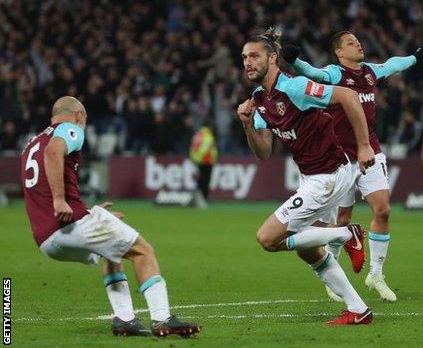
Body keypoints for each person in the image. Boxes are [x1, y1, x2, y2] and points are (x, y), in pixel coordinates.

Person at [20, 96, 201, 337]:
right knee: (143, 250)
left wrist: (85, 210)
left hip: (45, 239)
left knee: (110, 250)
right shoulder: (70, 129)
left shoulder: (30, 143)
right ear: (79, 116)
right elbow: (54, 152)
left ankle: (124, 318)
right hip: (68, 224)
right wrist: (60, 201)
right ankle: (162, 318)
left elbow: (43, 183)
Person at [237, 29, 375, 325]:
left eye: (255, 56)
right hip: (311, 176)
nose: (248, 62)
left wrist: (364, 146)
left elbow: (350, 96)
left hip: (328, 175)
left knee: (267, 238)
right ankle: (358, 310)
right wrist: (248, 125)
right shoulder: (260, 97)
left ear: (273, 58)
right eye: (245, 57)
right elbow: (264, 153)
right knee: (308, 251)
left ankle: (345, 234)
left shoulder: (296, 87)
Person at [281, 31, 423, 302]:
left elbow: (393, 65)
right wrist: (295, 61)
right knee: (343, 221)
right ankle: (333, 273)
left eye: (358, 41)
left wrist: (415, 58)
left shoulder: (370, 72)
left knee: (382, 210)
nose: (358, 44)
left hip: (370, 152)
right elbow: (314, 74)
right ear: (339, 52)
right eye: (351, 43)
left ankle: (376, 274)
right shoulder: (335, 74)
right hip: (340, 159)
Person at [189, 122, 218, 207]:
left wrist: (194, 158)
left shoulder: (197, 136)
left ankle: (198, 198)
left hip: (198, 161)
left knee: (200, 180)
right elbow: (205, 149)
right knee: (205, 181)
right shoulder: (208, 136)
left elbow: (192, 148)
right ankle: (203, 199)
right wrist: (200, 157)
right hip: (207, 161)